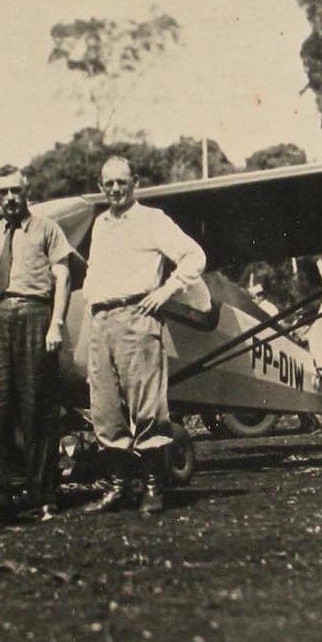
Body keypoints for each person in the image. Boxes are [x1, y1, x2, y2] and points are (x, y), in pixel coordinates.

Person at [81, 156, 205, 515]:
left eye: (122, 182)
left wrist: (165, 292)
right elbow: (93, 272)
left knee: (146, 407)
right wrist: (92, 301)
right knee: (104, 409)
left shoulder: (153, 220)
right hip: (102, 321)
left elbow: (193, 256)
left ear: (134, 182)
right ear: (100, 185)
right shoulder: (100, 225)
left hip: (139, 317)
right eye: (108, 183)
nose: (115, 189)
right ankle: (118, 487)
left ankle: (153, 487)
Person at [0, 169, 74, 517]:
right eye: (3, 192)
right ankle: (4, 492)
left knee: (37, 409)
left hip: (35, 316)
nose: (10, 197)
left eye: (16, 190)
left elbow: (63, 278)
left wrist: (56, 323)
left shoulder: (47, 229)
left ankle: (43, 494)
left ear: (27, 190)